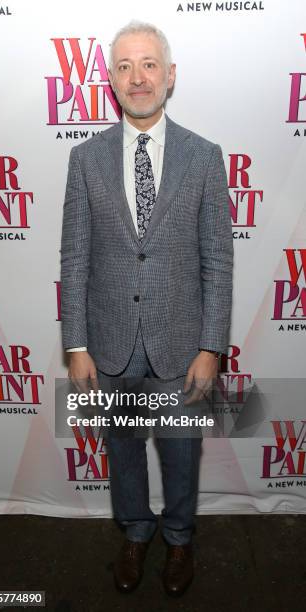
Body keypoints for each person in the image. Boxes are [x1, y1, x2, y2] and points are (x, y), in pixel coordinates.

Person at [60, 20, 234, 597]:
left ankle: (180, 539)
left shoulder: (205, 158)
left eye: (149, 64)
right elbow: (76, 254)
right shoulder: (85, 160)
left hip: (182, 344)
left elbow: (217, 262)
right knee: (124, 452)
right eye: (125, 67)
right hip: (109, 345)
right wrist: (77, 344)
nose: (138, 78)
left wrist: (212, 347)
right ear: (111, 80)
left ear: (171, 75)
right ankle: (135, 530)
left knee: (182, 456)